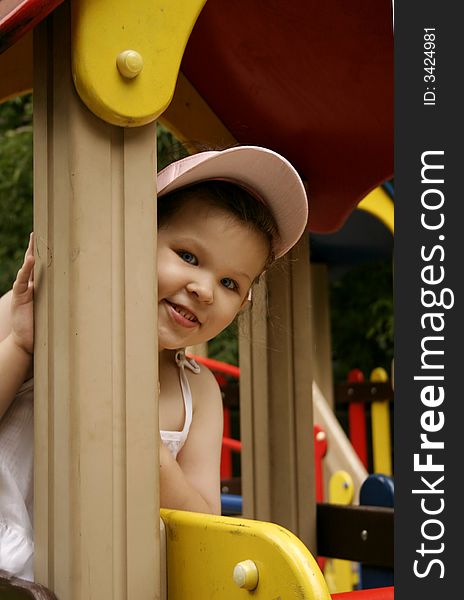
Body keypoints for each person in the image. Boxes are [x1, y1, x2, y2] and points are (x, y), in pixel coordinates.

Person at [0, 145, 308, 579]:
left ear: (243, 305)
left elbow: (205, 524)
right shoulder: (37, 314)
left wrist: (143, 435)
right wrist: (22, 346)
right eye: (188, 256)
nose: (204, 289)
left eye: (229, 283)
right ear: (136, 237)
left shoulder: (197, 393)